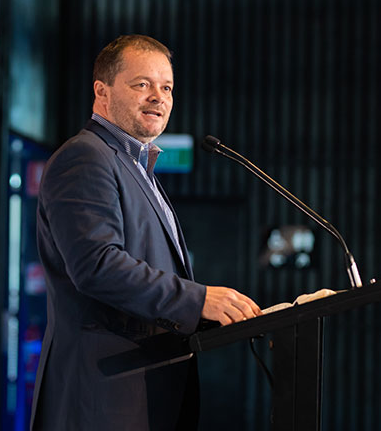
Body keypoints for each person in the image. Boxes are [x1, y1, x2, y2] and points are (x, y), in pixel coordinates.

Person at [30, 34, 261, 431]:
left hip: (140, 395)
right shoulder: (85, 157)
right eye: (142, 84)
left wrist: (212, 315)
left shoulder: (136, 167)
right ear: (102, 91)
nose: (158, 97)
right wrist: (199, 300)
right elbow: (97, 266)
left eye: (166, 87)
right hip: (102, 401)